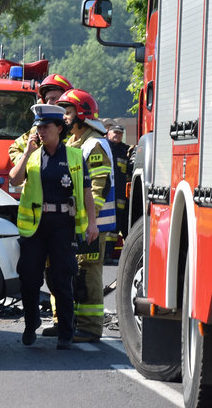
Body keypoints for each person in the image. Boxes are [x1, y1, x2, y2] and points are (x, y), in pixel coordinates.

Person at [9, 103, 97, 350]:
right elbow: (14, 179)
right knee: (29, 277)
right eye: (38, 127)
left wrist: (92, 223)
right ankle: (30, 323)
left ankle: (66, 333)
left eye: (46, 126)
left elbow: (87, 192)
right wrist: (26, 152)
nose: (41, 131)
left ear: (60, 128)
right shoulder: (33, 156)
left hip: (63, 226)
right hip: (35, 228)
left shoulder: (75, 157)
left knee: (62, 278)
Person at [57, 88, 116, 344]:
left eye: (67, 112)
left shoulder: (94, 145)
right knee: (78, 273)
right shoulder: (75, 143)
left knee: (89, 273)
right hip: (81, 224)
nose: (64, 117)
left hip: (95, 226)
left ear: (82, 114)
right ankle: (76, 325)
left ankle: (91, 328)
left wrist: (91, 222)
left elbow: (99, 188)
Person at [8, 73, 73, 167]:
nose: (49, 103)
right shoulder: (36, 131)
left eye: (54, 98)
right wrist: (26, 163)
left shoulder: (76, 130)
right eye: (47, 100)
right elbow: (14, 149)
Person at [106, 121, 131, 263]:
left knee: (118, 224)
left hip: (120, 194)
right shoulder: (103, 147)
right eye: (115, 132)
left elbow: (128, 170)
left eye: (120, 133)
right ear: (108, 133)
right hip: (106, 192)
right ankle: (105, 254)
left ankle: (111, 254)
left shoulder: (125, 150)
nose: (117, 135)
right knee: (106, 224)